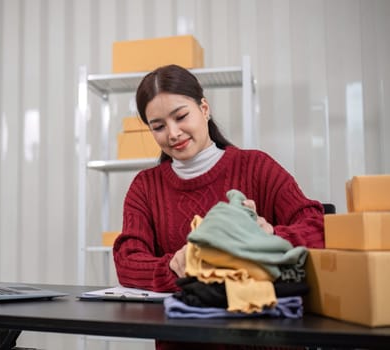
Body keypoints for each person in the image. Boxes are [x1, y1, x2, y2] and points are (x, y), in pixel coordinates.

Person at [112, 64, 324, 350]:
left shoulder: (257, 167)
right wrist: (176, 266)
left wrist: (270, 236)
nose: (173, 134)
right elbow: (127, 261)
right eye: (159, 127)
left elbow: (318, 227)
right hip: (182, 342)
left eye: (181, 116)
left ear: (204, 109)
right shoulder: (145, 187)